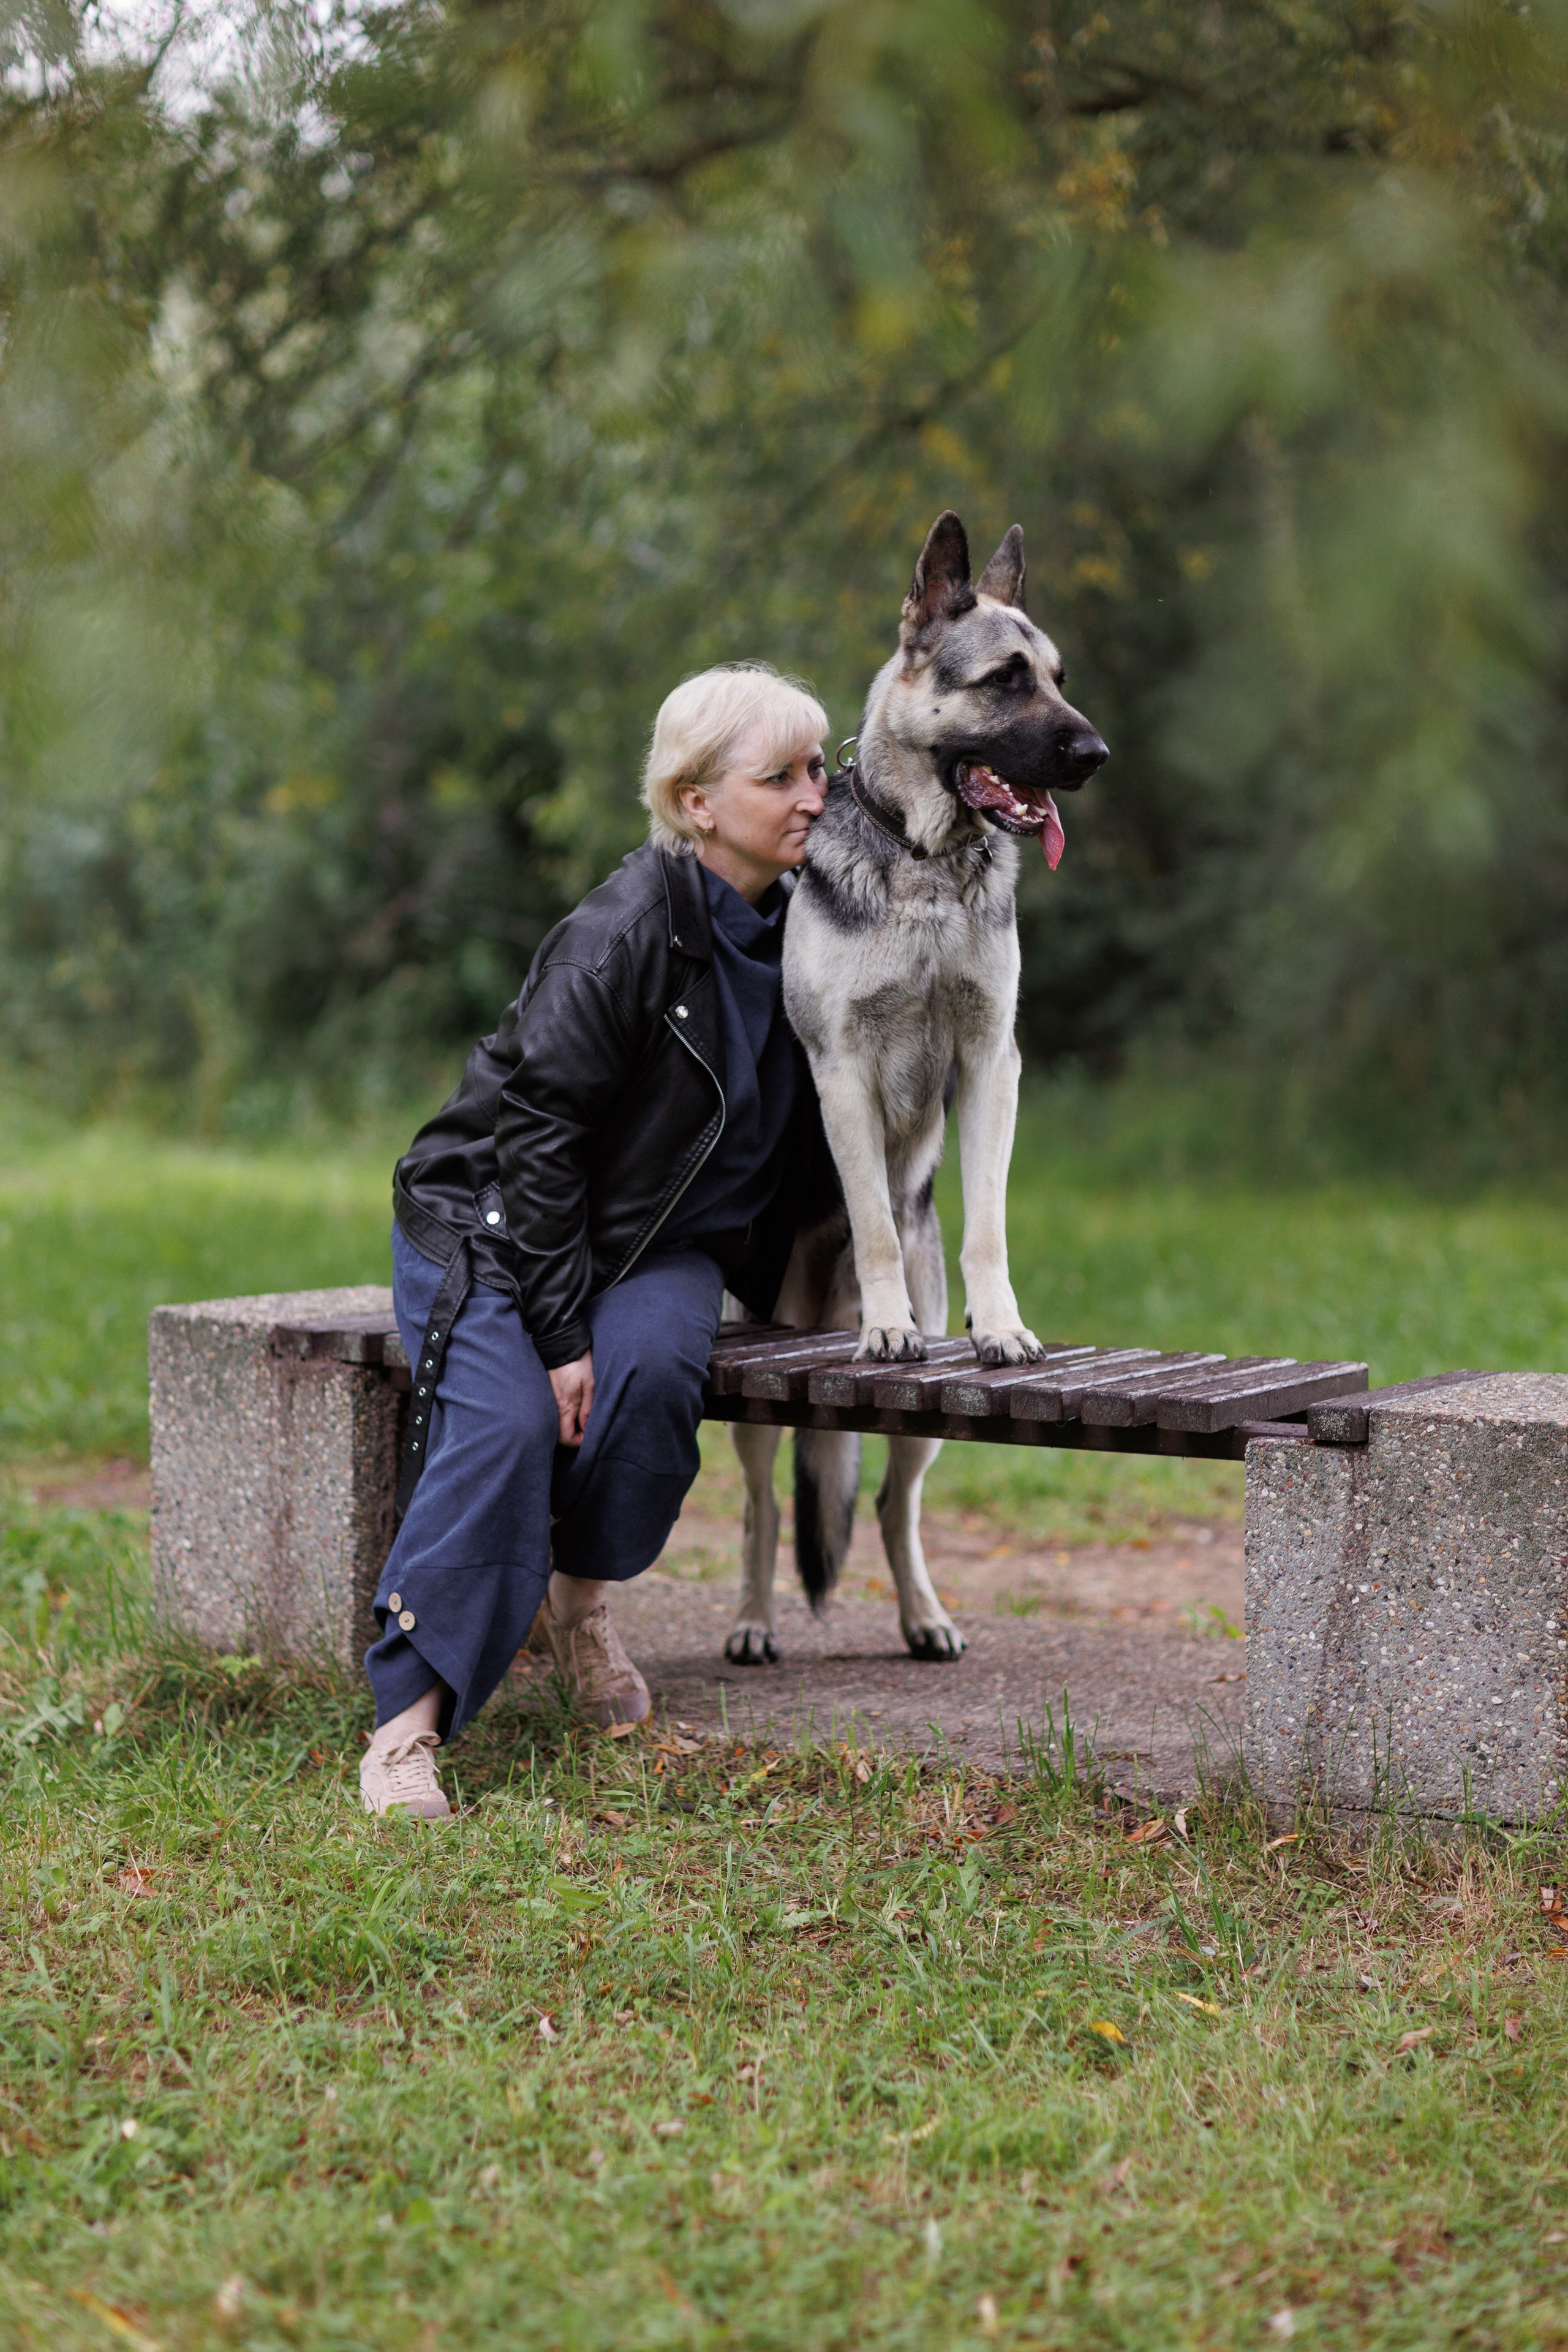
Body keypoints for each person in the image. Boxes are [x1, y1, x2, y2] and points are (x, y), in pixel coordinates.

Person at [359, 663, 834, 1818]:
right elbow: (539, 1133)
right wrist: (559, 1330)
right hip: (493, 1222)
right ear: (697, 803)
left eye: (821, 769)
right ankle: (403, 1734)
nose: (816, 796)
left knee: (658, 1375)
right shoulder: (622, 931)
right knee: (517, 1419)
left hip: (657, 1242)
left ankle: (574, 1605)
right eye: (781, 777)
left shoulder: (810, 929)